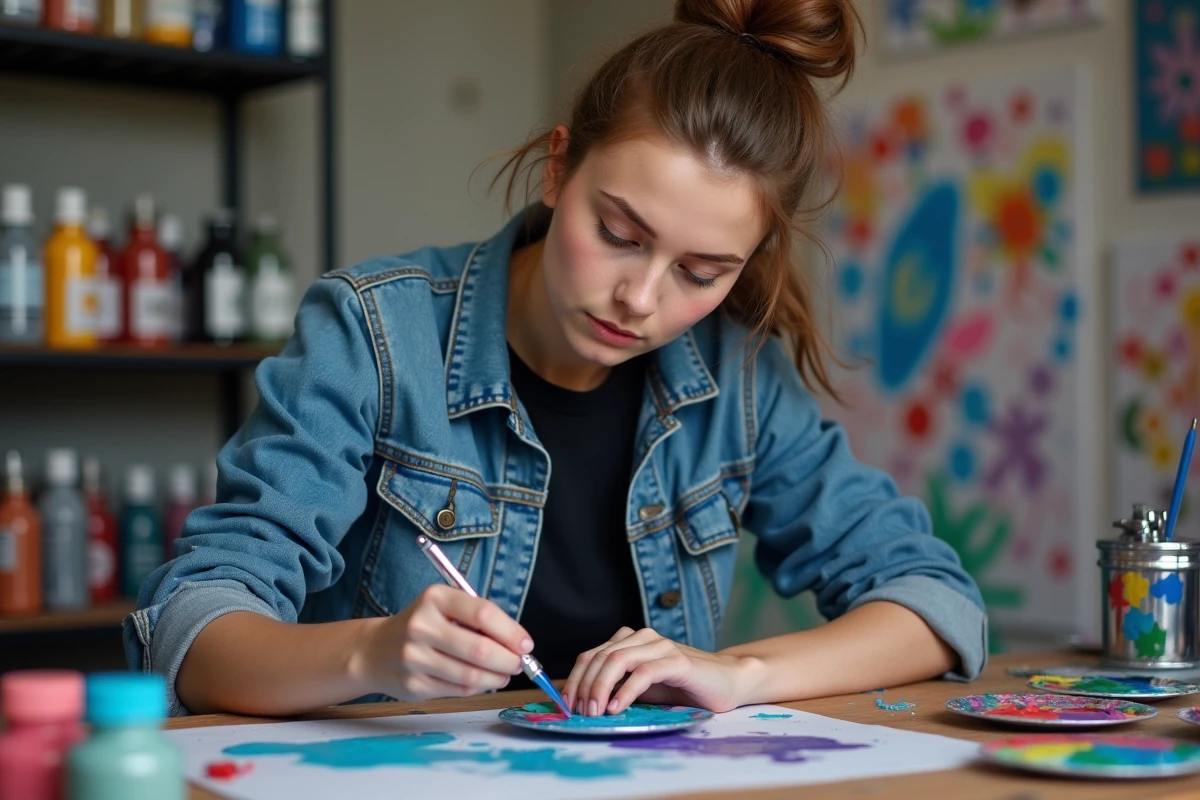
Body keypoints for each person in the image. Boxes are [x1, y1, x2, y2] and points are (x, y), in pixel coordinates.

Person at [125, 0, 986, 719]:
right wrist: (369, 652)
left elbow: (934, 602)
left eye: (701, 272)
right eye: (618, 233)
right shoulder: (375, 335)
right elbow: (192, 628)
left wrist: (738, 675)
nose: (641, 299)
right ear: (556, 167)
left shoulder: (739, 378)